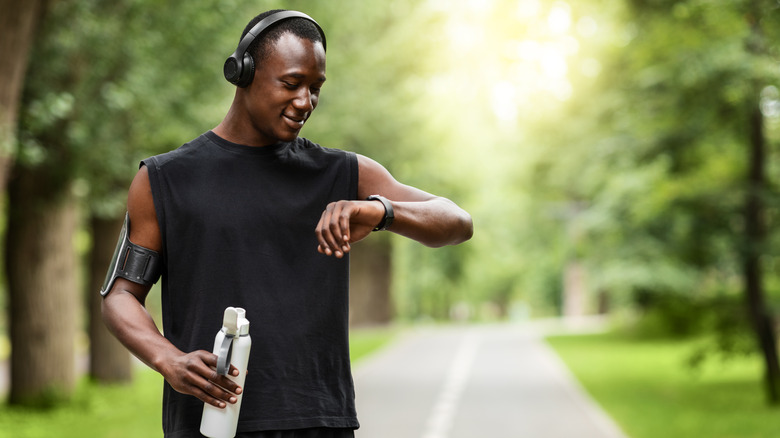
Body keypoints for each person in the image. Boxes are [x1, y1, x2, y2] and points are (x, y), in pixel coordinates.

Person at [101, 9, 473, 438]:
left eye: (316, 88)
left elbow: (456, 221)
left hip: (320, 422)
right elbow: (121, 295)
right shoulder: (164, 180)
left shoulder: (344, 174)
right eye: (291, 83)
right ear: (242, 73)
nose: (305, 102)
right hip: (209, 423)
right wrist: (168, 360)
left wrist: (382, 211)